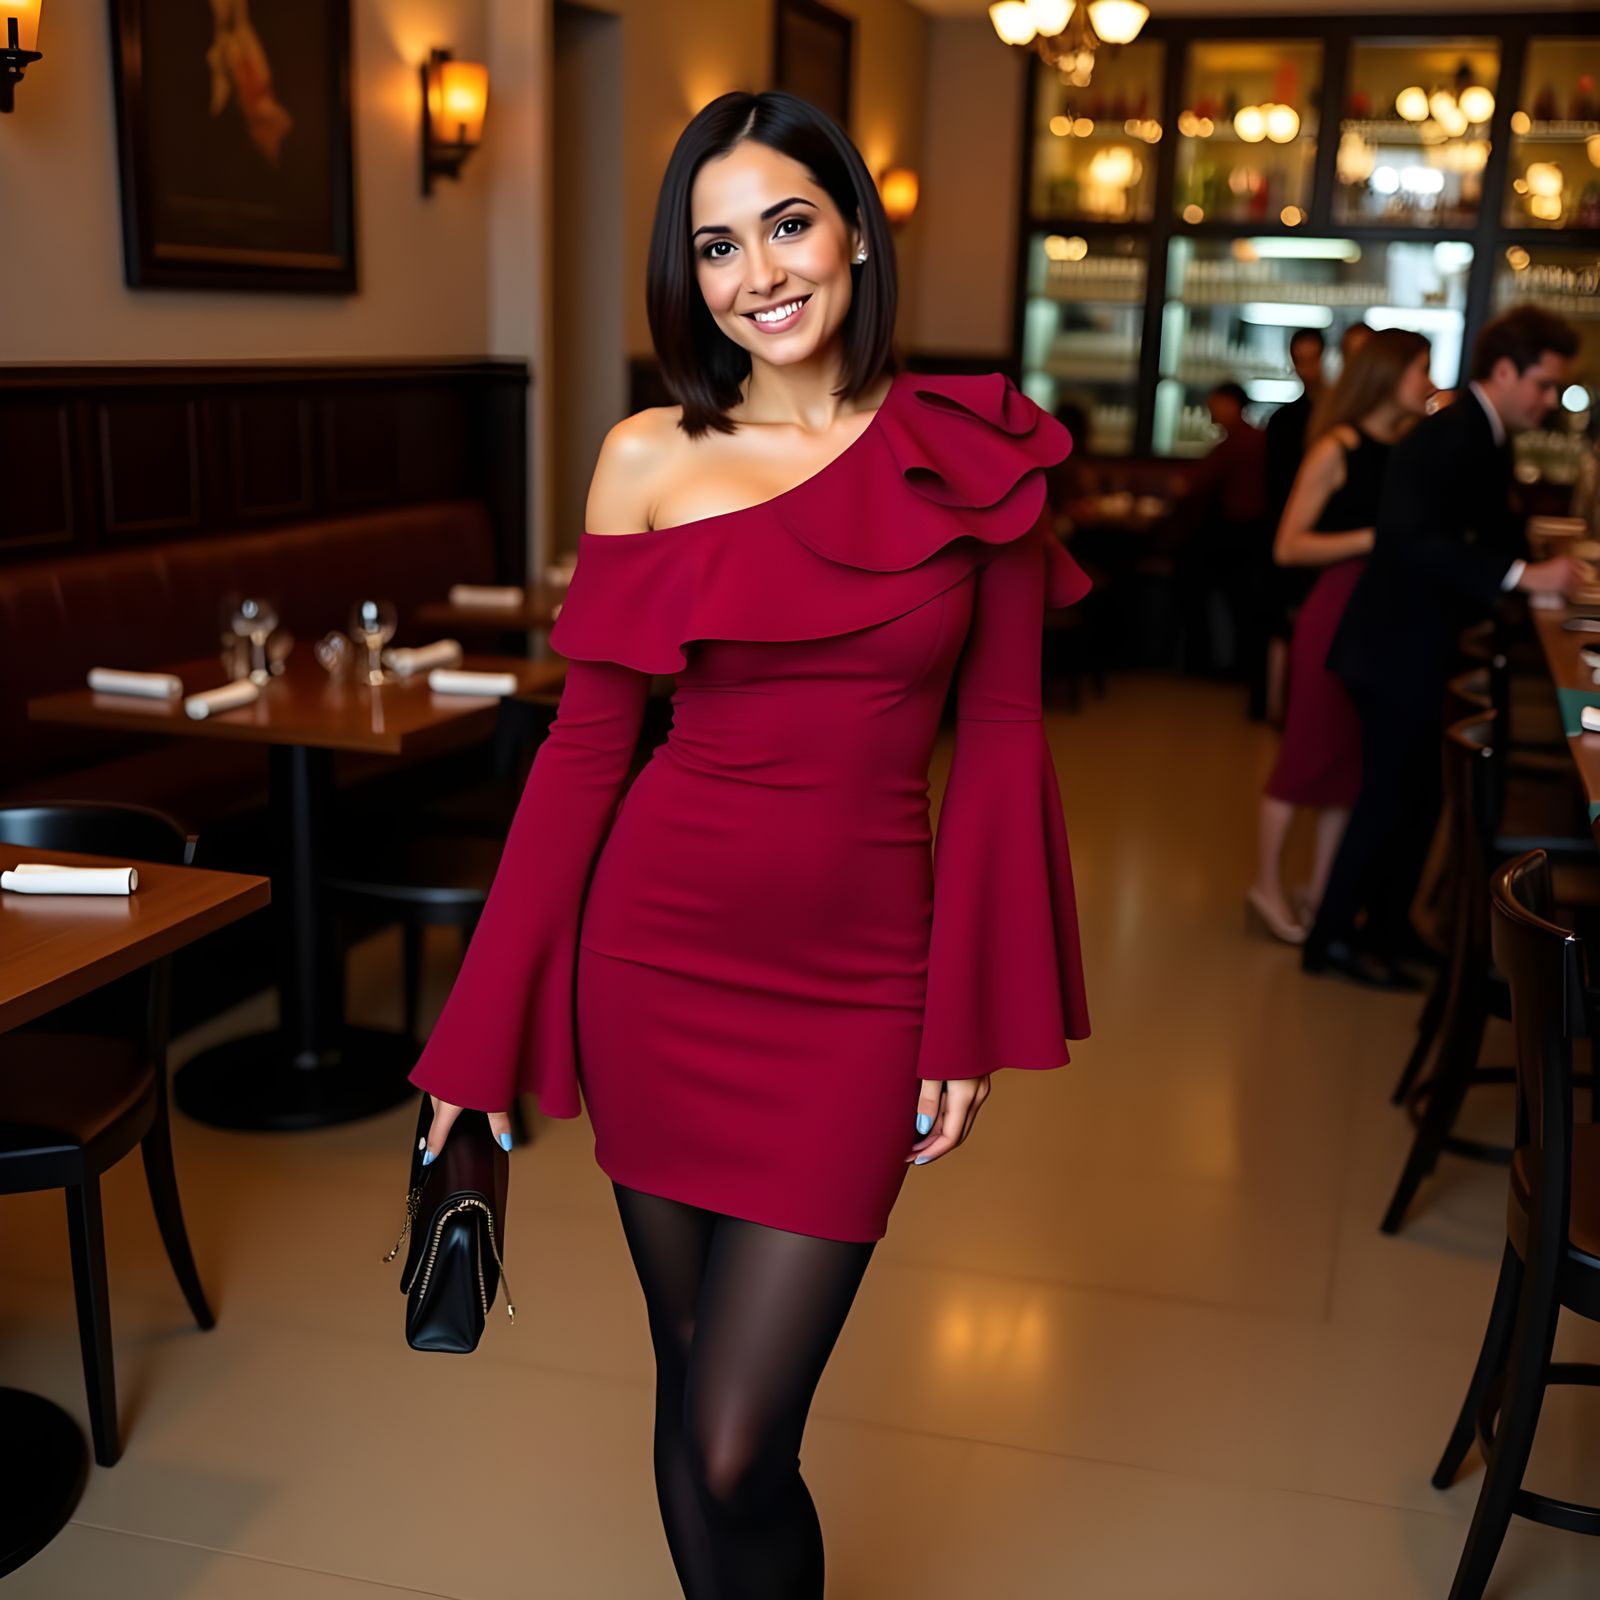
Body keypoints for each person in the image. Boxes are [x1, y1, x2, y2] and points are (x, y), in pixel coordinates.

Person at [405, 90, 1091, 1599]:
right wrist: (472, 1044)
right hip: (655, 962)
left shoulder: (977, 453)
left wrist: (967, 1011)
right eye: (717, 246)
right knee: (694, 1367)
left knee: (736, 1437)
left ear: (855, 225)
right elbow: (584, 760)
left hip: (862, 984)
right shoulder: (649, 458)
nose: (758, 273)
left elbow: (1003, 746)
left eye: (788, 223)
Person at [1302, 306, 1583, 988]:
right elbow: (1408, 541)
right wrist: (1521, 575)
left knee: (1419, 799)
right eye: (1545, 385)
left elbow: (1484, 531)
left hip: (1415, 642)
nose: (1551, 401)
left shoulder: (1486, 433)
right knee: (1388, 800)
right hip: (1394, 643)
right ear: (1506, 370)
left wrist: (1528, 571)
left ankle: (1389, 928)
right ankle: (1331, 939)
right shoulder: (1449, 433)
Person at [1246, 328, 1434, 944]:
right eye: (1420, 372)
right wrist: (1372, 541)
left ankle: (1324, 892)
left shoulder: (1409, 445)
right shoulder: (1336, 446)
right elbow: (1286, 545)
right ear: (1387, 377)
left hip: (1384, 614)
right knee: (1306, 754)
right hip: (1336, 607)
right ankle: (1266, 888)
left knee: (1350, 764)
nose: (1429, 384)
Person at [1178, 381, 1269, 693]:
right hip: (1251, 533)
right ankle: (1239, 664)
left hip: (1237, 535)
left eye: (1215, 404)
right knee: (1242, 602)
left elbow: (1194, 484)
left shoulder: (1236, 443)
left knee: (1202, 586)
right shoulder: (1255, 439)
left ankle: (1202, 661)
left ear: (1232, 405)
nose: (1210, 411)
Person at [1261, 328, 1329, 721]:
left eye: (1312, 358)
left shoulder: (1335, 416)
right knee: (1284, 624)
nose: (1306, 369)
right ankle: (1279, 710)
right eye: (1300, 359)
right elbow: (1274, 490)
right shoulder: (1284, 420)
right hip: (1291, 535)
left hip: (1321, 537)